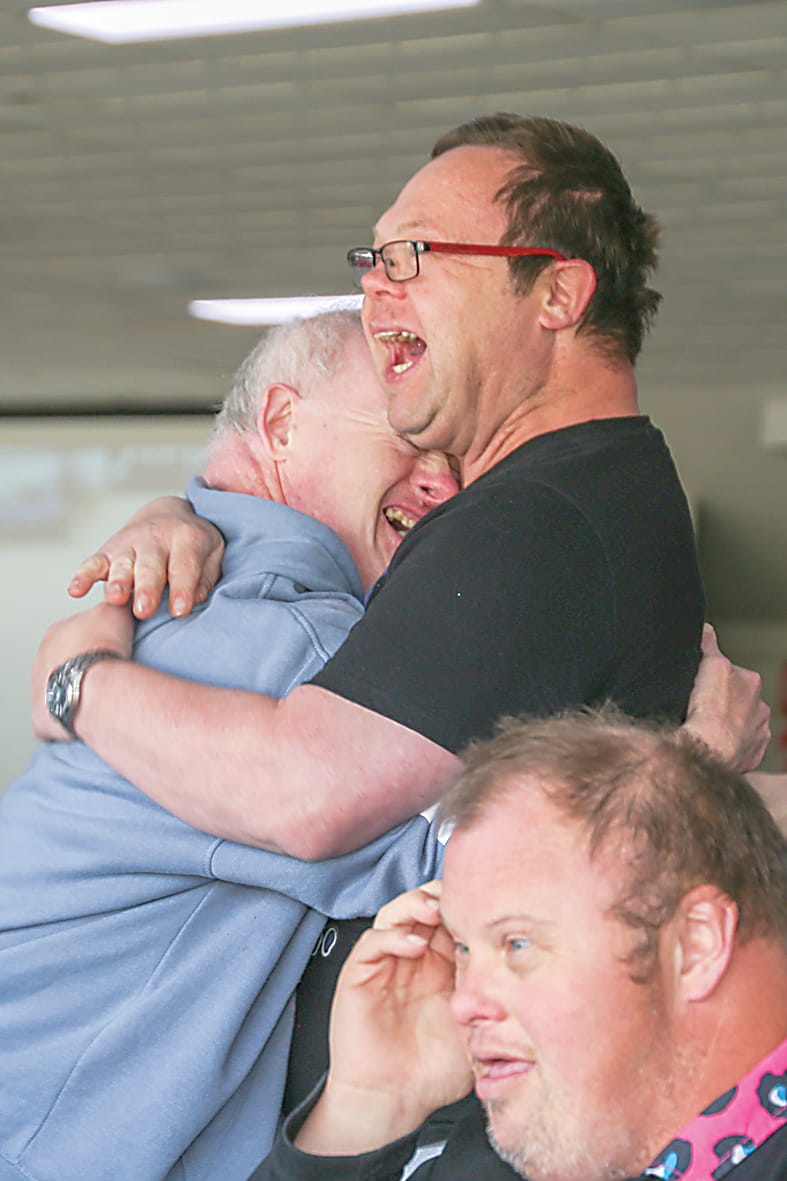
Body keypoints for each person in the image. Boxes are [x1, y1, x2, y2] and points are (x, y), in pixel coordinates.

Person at [31, 114, 770, 1111]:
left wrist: (78, 677)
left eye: (415, 253)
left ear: (556, 291)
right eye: (373, 258)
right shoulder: (571, 496)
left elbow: (316, 798)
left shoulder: (530, 523)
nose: (377, 283)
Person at [0, 311, 460, 1181]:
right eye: (410, 436)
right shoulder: (296, 644)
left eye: (456, 455)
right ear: (281, 423)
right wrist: (701, 747)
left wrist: (168, 507)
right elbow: (509, 857)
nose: (443, 481)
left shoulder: (185, 594)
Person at [260, 706, 787, 1181]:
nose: (463, 1003)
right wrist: (369, 1107)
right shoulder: (498, 1156)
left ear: (695, 945)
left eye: (516, 944)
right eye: (462, 948)